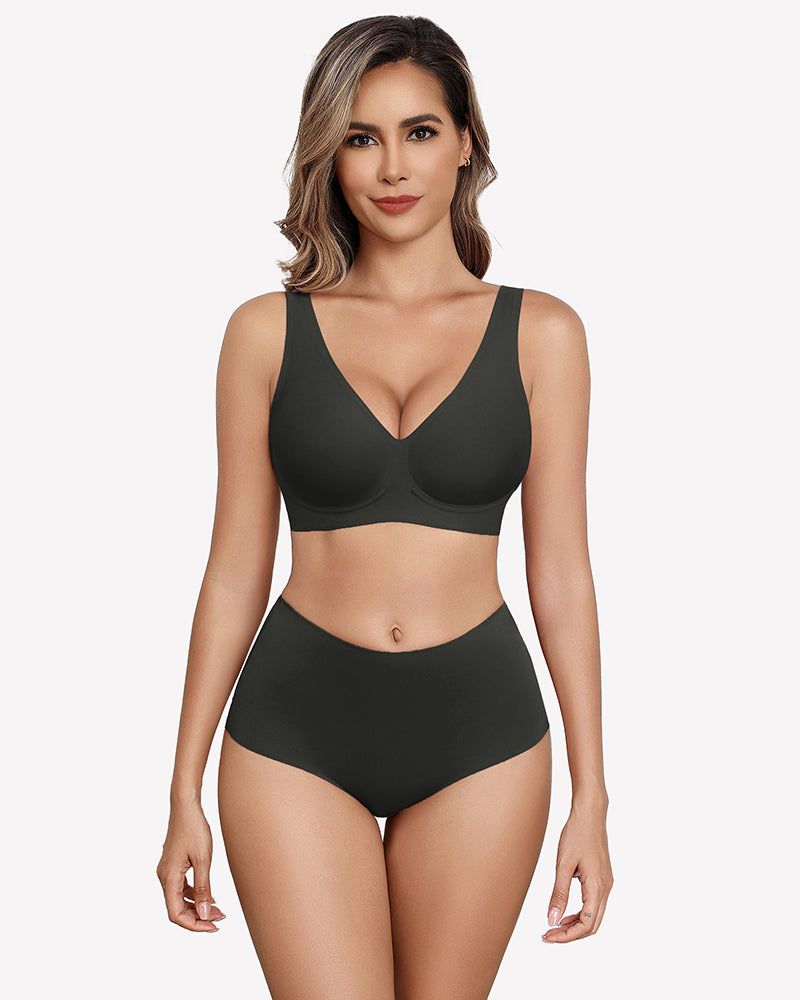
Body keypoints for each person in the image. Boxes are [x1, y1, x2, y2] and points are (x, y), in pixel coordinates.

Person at [157, 13, 612, 997]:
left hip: (482, 734)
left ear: (465, 145)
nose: (392, 166)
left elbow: (562, 574)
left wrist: (593, 795)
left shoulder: (544, 334)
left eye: (420, 131)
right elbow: (233, 568)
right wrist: (181, 785)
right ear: (330, 155)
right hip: (294, 731)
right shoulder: (264, 333)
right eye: (361, 137)